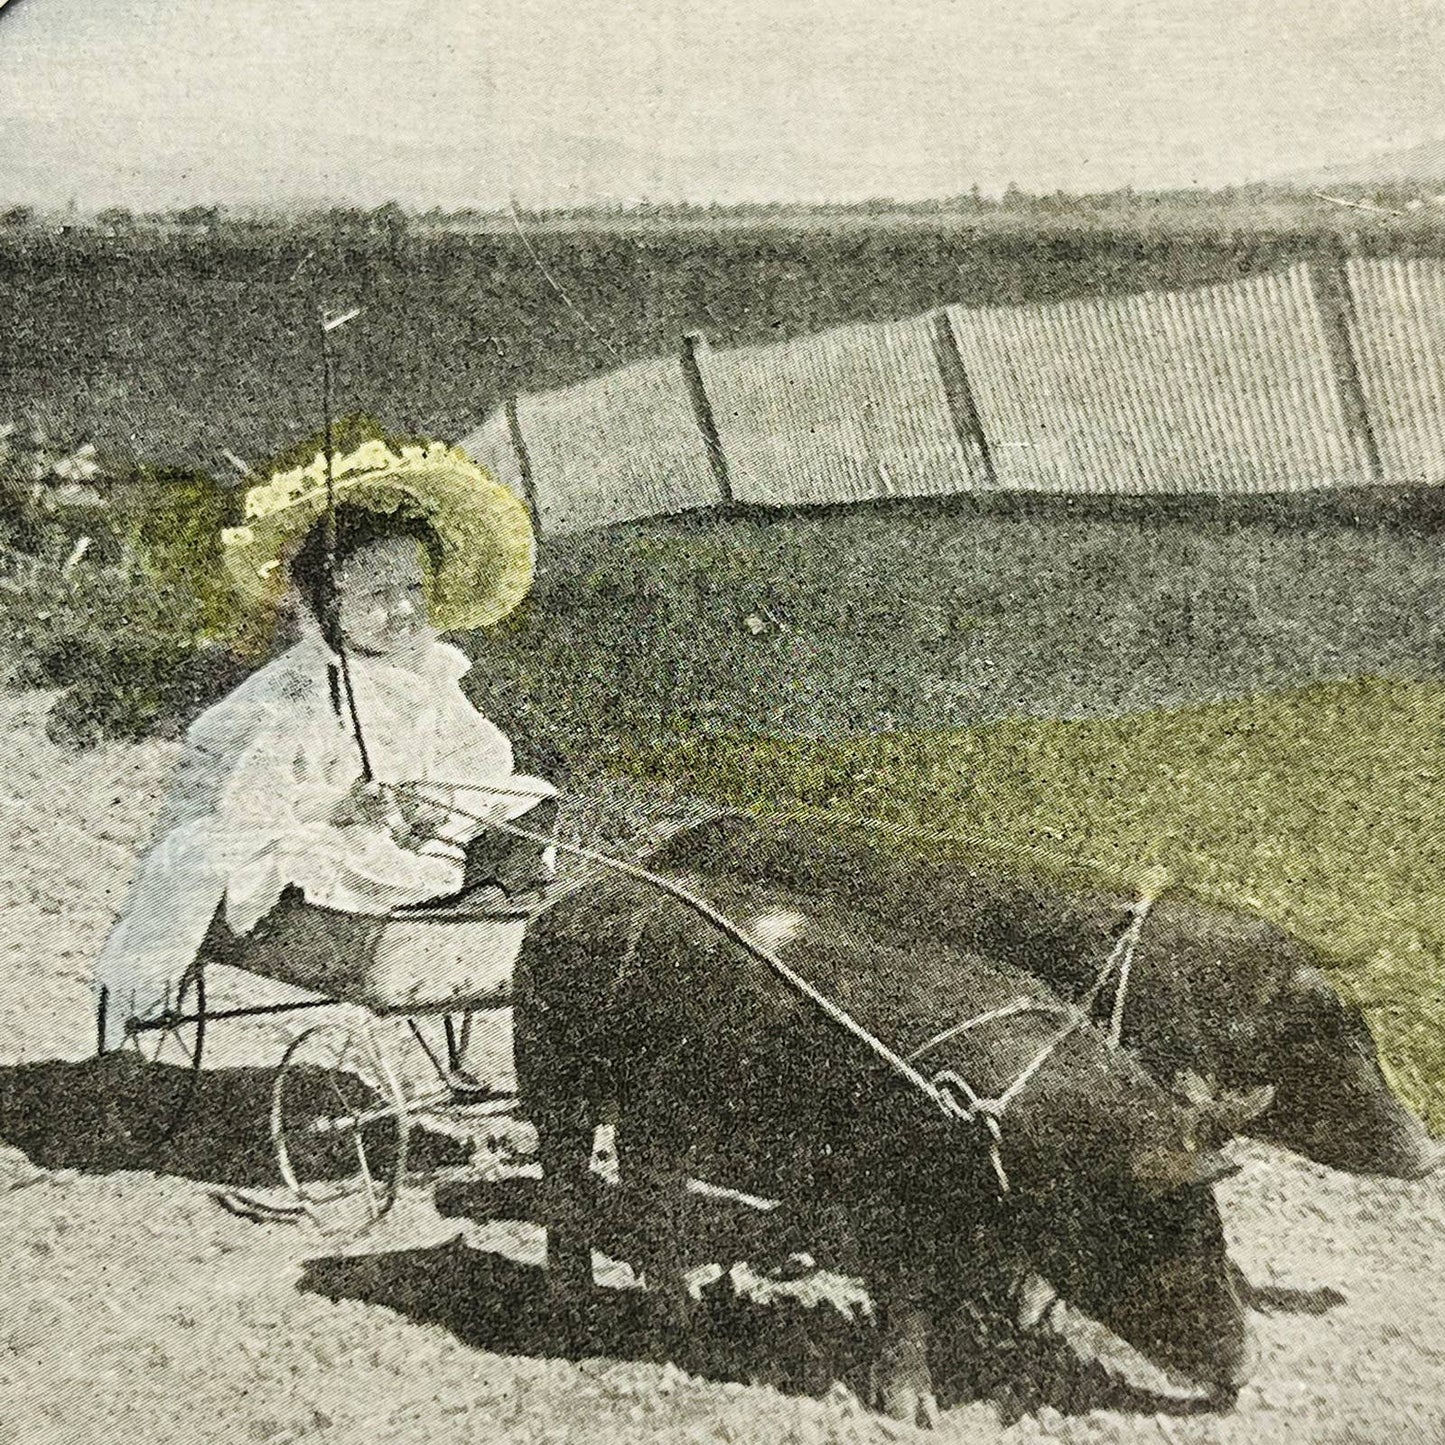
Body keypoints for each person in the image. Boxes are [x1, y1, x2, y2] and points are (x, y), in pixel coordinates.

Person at [95, 438, 554, 1053]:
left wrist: (443, 802)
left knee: (528, 804)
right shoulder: (302, 690)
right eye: (376, 597)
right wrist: (343, 806)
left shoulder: (429, 674)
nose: (403, 611)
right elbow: (251, 802)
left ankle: (480, 911)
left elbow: (481, 759)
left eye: (414, 588)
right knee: (304, 857)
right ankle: (441, 912)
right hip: (332, 844)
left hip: (418, 843)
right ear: (326, 605)